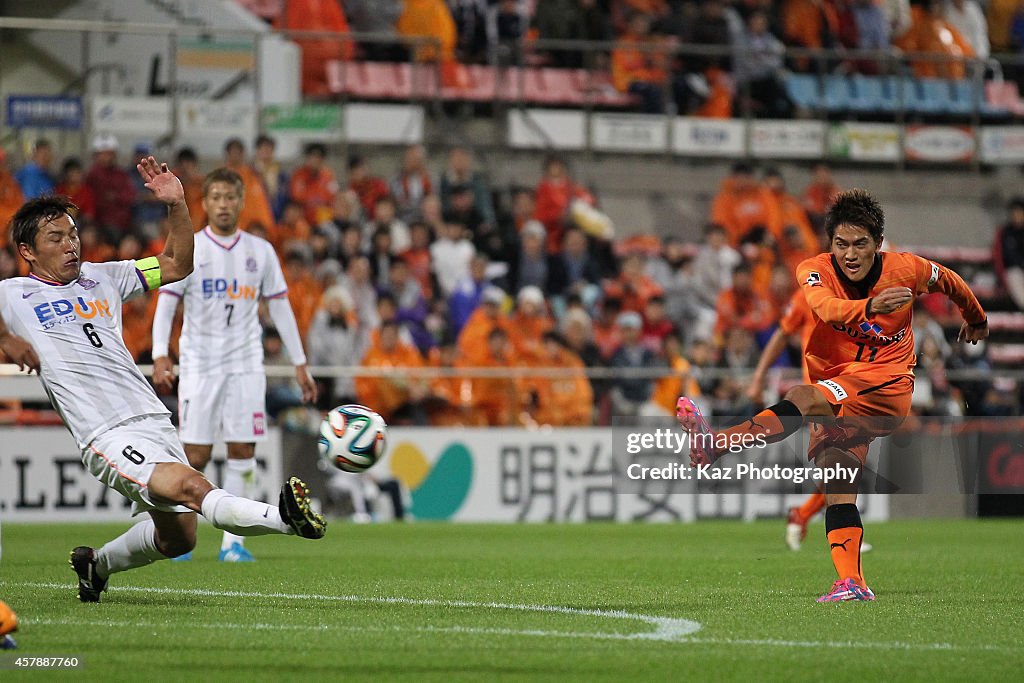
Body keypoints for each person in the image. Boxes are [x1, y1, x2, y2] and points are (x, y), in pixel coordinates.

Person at [0, 160, 325, 604]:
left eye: (73, 234)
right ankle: (285, 518)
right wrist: (5, 338)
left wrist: (177, 206)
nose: (70, 245)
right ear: (28, 251)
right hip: (106, 433)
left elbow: (176, 264)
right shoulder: (13, 295)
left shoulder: (105, 277)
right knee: (192, 487)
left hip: (153, 419)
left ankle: (97, 565)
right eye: (56, 238)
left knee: (179, 539)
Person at [677, 189, 987, 602]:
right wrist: (870, 307)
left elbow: (947, 279)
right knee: (838, 482)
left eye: (861, 244)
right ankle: (852, 582)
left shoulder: (907, 268)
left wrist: (976, 318)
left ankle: (715, 444)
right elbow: (825, 309)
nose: (851, 254)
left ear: (878, 243)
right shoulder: (814, 270)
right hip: (842, 392)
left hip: (887, 385)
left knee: (803, 396)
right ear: (830, 245)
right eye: (841, 244)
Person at [152, 168, 318, 562]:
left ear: (241, 202)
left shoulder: (260, 252)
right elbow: (167, 302)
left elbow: (280, 306)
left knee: (243, 447)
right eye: (217, 198)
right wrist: (161, 352)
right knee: (195, 455)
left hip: (245, 364)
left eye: (231, 197)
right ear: (204, 203)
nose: (224, 205)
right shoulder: (190, 246)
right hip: (200, 364)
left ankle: (233, 543)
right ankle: (181, 537)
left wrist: (299, 362)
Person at [745, 288, 872, 554]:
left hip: (851, 389)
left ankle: (803, 516)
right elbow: (782, 334)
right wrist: (758, 378)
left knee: (844, 466)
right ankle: (839, 534)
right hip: (821, 393)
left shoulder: (859, 296)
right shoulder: (806, 296)